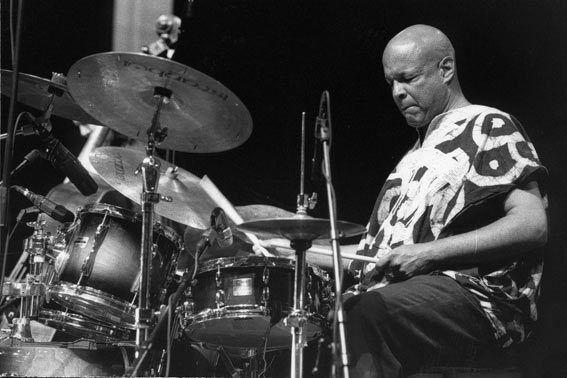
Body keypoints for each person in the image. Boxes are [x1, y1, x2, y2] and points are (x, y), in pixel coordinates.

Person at [338, 24, 548, 377]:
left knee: (364, 310)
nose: (397, 93)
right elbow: (372, 259)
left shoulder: (488, 124)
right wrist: (280, 242)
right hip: (404, 297)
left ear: (446, 69)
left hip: (481, 299)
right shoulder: (410, 159)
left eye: (408, 78)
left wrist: (429, 253)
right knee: (337, 315)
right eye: (391, 82)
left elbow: (532, 224)